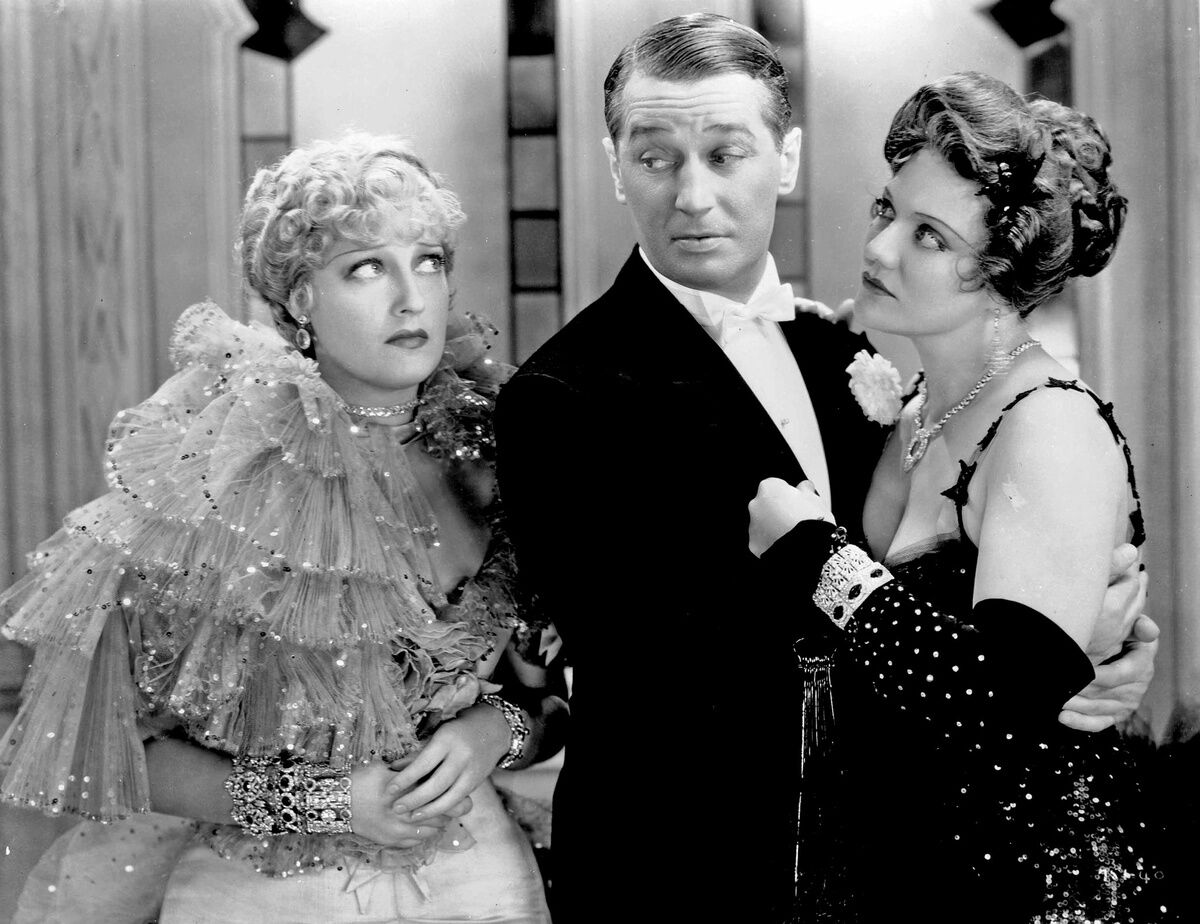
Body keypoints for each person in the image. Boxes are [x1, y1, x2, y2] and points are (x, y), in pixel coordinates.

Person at [494, 14, 1154, 924]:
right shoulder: (558, 397)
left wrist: (1069, 651)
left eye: (726, 154)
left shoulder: (844, 356)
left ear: (787, 159)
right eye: (654, 157)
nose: (692, 196)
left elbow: (992, 599)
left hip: (905, 864)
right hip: (684, 874)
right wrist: (1041, 669)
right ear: (615, 166)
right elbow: (671, 675)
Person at [0, 133, 561, 923]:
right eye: (366, 268)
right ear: (300, 298)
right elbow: (121, 750)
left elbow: (550, 701)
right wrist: (328, 802)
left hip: (482, 881)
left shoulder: (498, 452)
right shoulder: (217, 473)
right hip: (271, 892)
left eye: (428, 260)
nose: (411, 297)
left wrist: (488, 734)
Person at [749, 72, 1163, 921]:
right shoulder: (908, 407)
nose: (880, 247)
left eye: (929, 236)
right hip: (897, 861)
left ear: (1004, 267)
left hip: (1023, 884)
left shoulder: (1048, 425)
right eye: (886, 210)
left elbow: (1004, 701)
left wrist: (818, 557)